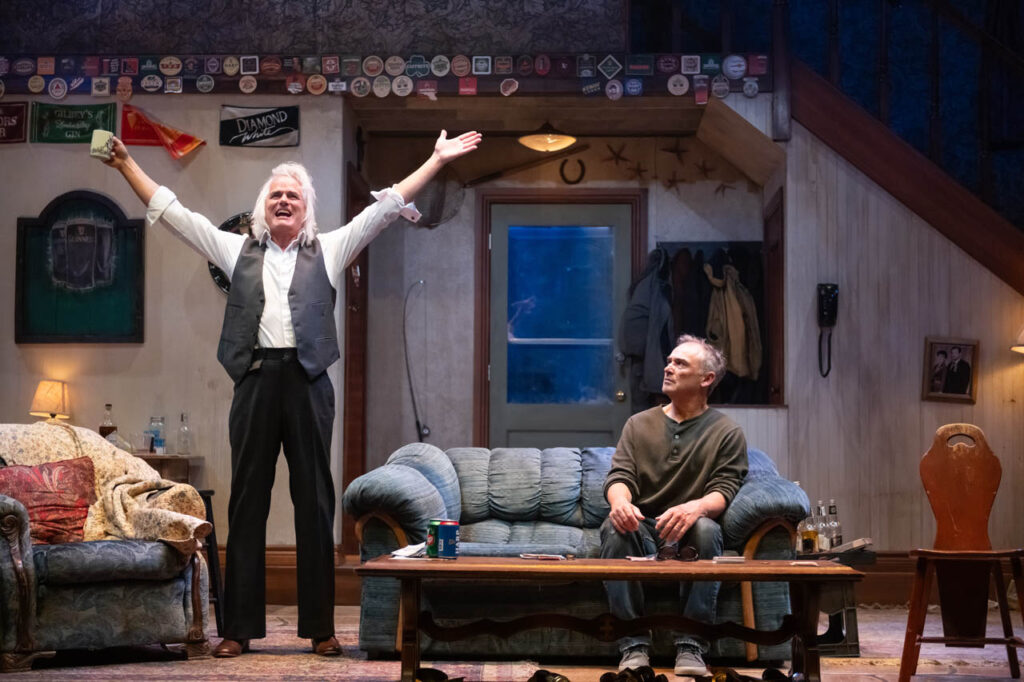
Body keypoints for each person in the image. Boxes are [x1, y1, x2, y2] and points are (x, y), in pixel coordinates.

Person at [99, 129, 481, 657]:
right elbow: (174, 212)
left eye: (293, 196)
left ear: (306, 211)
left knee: (314, 500)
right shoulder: (235, 250)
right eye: (276, 194)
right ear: (263, 209)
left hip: (308, 385)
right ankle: (237, 631)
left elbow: (388, 207)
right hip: (254, 382)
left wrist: (436, 160)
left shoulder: (331, 248)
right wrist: (125, 165)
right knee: (248, 503)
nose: (284, 201)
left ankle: (321, 629)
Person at [601, 334, 747, 676]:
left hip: (687, 537)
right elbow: (619, 476)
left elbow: (724, 490)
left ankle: (692, 645)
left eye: (680, 363)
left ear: (706, 379)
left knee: (707, 527)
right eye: (669, 360)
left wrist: (694, 508)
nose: (668, 367)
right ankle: (632, 644)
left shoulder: (727, 432)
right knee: (613, 527)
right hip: (644, 531)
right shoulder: (638, 424)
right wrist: (620, 502)